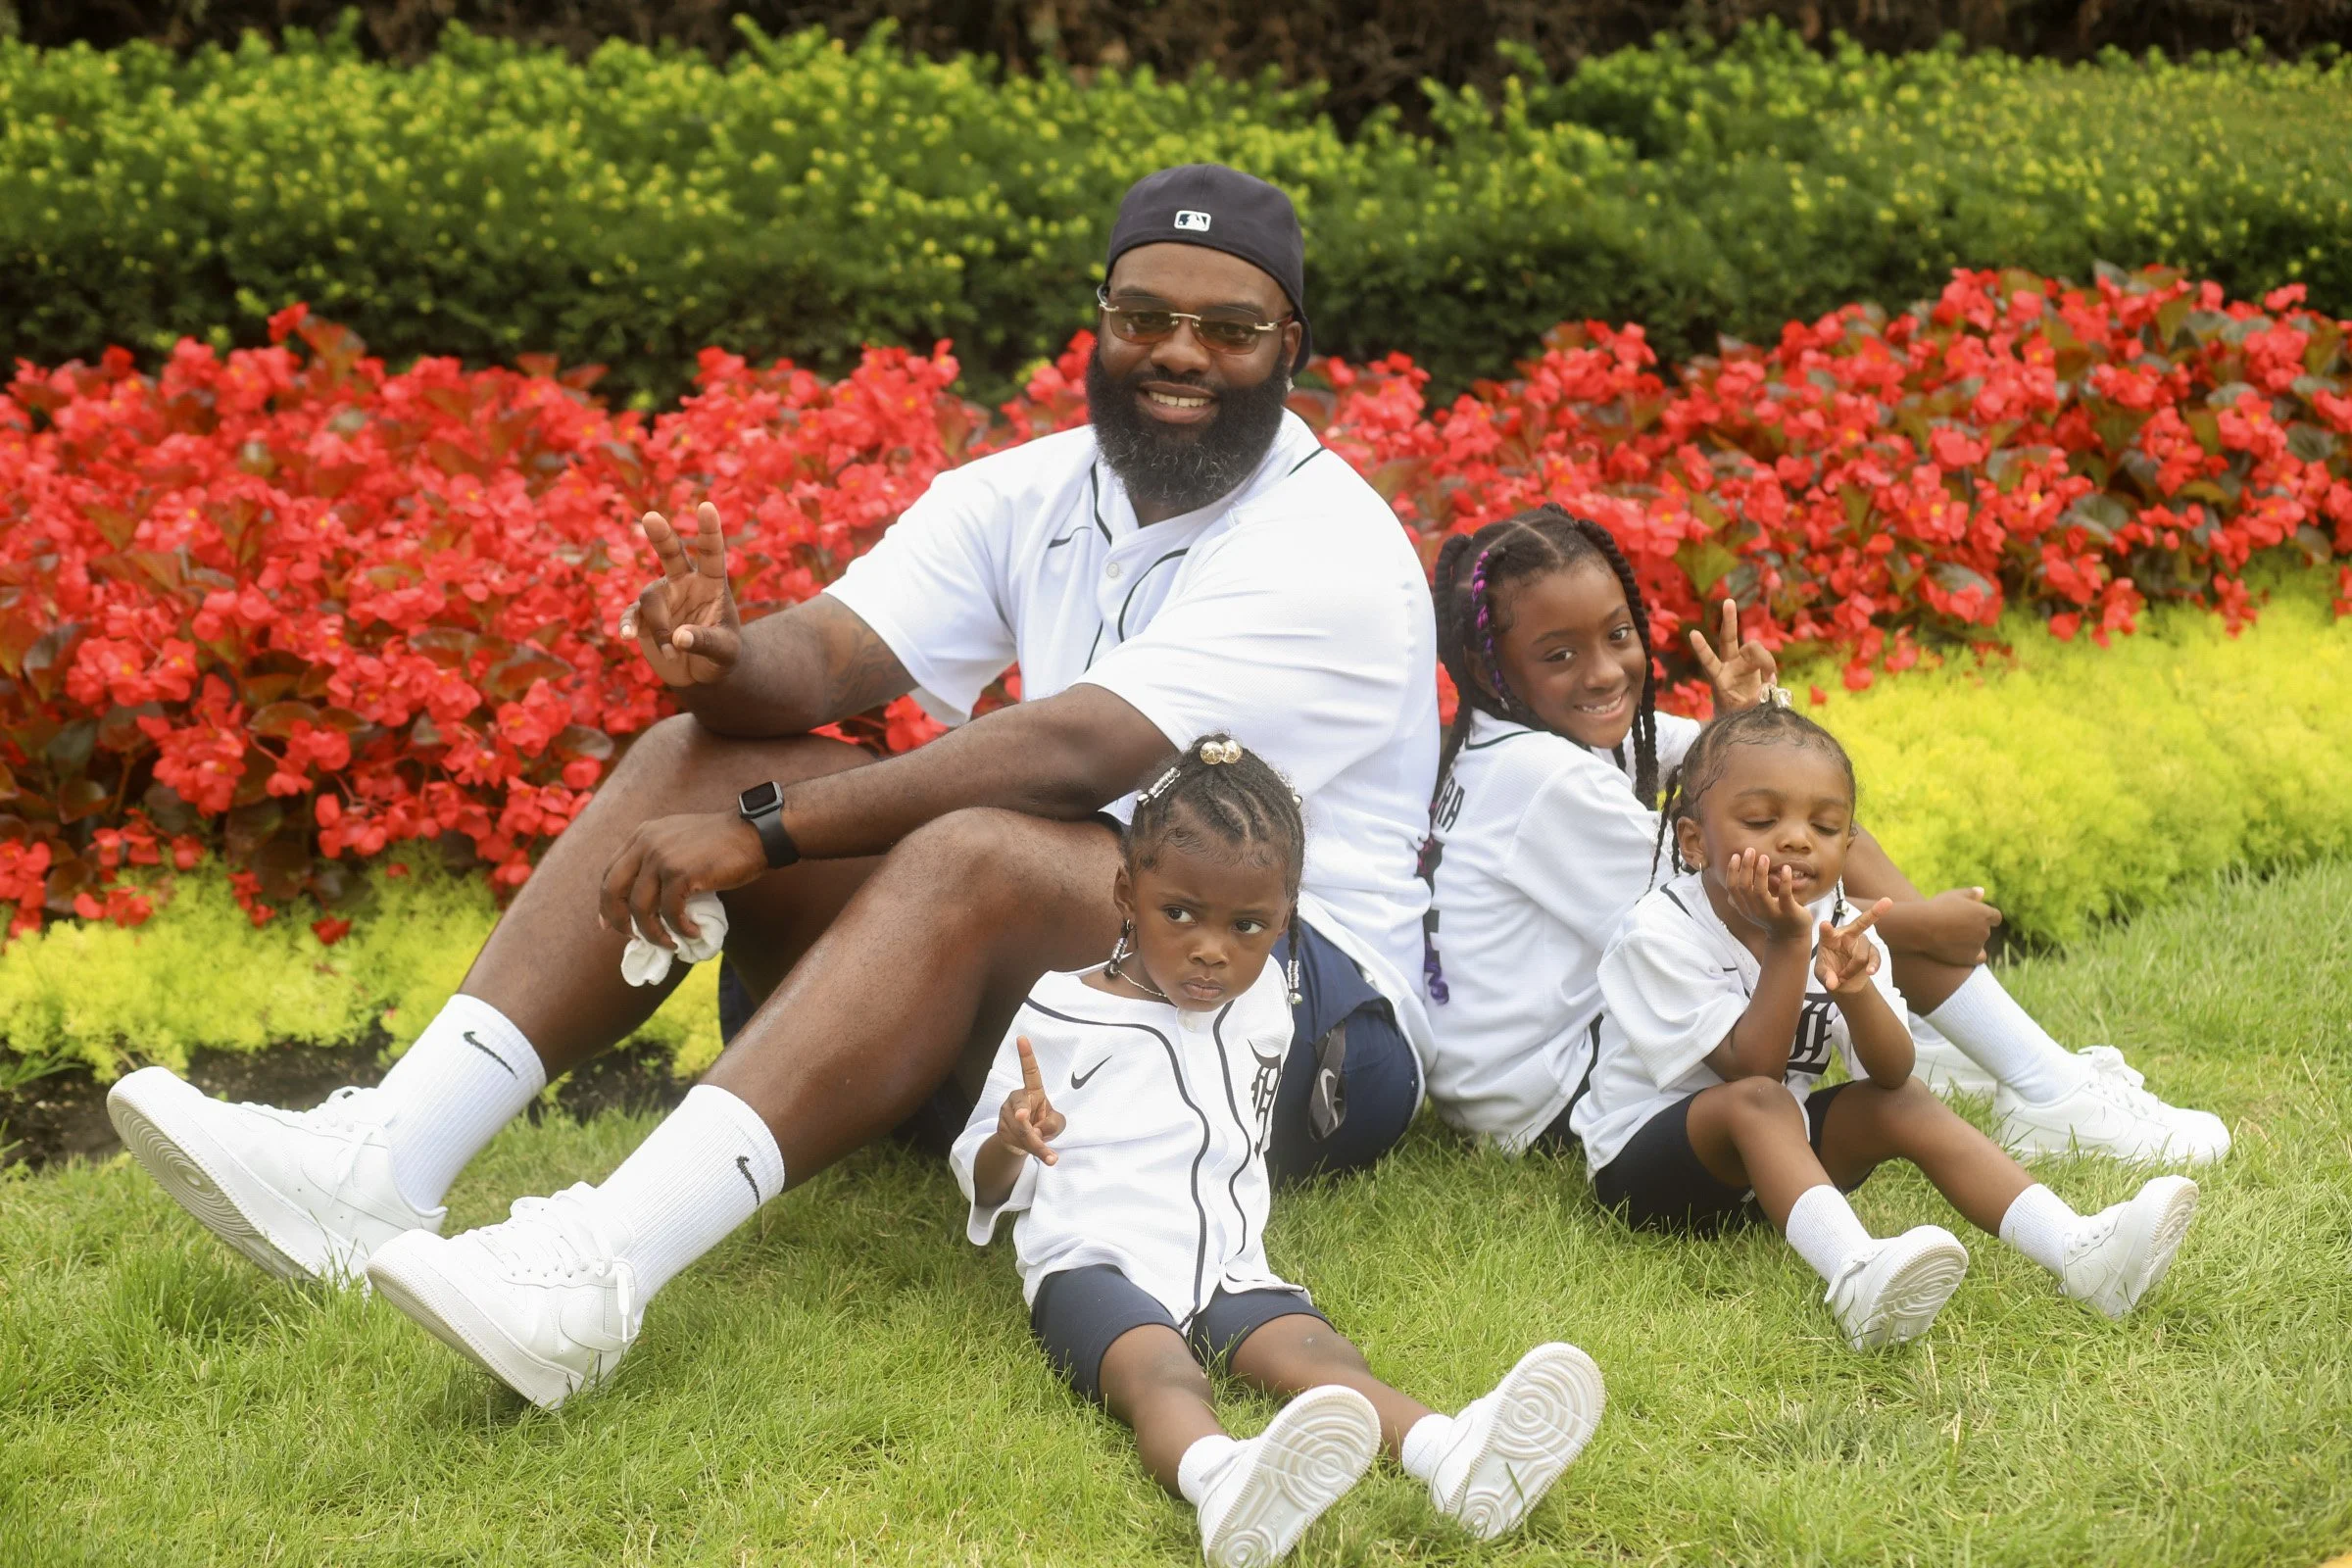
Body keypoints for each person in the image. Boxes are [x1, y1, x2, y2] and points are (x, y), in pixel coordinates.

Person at [104, 164, 1437, 1406]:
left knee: (976, 846)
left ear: (1290, 347)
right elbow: (830, 658)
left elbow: (1078, 751)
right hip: (1086, 989)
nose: (1180, 352)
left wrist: (771, 834)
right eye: (1145, 316)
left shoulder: (1324, 543)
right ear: (1100, 321)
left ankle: (597, 1273)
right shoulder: (1028, 490)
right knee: (694, 756)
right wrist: (725, 656)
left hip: (1300, 1020)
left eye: (1228, 328)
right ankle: (380, 1162)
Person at [952, 737, 1603, 1566]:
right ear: (1126, 893)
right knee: (1163, 1375)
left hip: (1230, 1267)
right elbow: (981, 1177)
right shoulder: (1062, 1012)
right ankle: (1222, 1478)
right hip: (1096, 1268)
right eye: (1178, 913)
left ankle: (1451, 1453)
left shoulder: (1262, 1002)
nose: (1211, 948)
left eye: (1247, 926)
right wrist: (1012, 1137)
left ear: (1285, 922)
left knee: (1319, 1357)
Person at [1417, 504, 2229, 1165]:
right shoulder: (1544, 780)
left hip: (1515, 1074)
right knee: (1814, 865)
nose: (1603, 672)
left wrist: (1739, 717)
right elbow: (1745, 897)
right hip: (1549, 1098)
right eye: (1561, 654)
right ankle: (2047, 1088)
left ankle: (1991, 1061)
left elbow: (1729, 771)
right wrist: (1916, 928)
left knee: (1799, 816)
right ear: (1491, 667)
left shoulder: (1518, 736)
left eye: (1618, 636)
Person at [1576, 704, 2200, 1349]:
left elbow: (1892, 1071)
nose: (1796, 840)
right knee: (1759, 1100)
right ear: (1694, 841)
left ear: (1847, 848)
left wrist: (1856, 993)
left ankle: (2077, 1250)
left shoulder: (1841, 923)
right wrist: (1790, 944)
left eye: (1825, 826)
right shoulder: (1659, 932)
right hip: (1649, 1174)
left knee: (1903, 1102)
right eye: (1762, 820)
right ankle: (1856, 1274)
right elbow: (1752, 1070)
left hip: (1774, 1168)